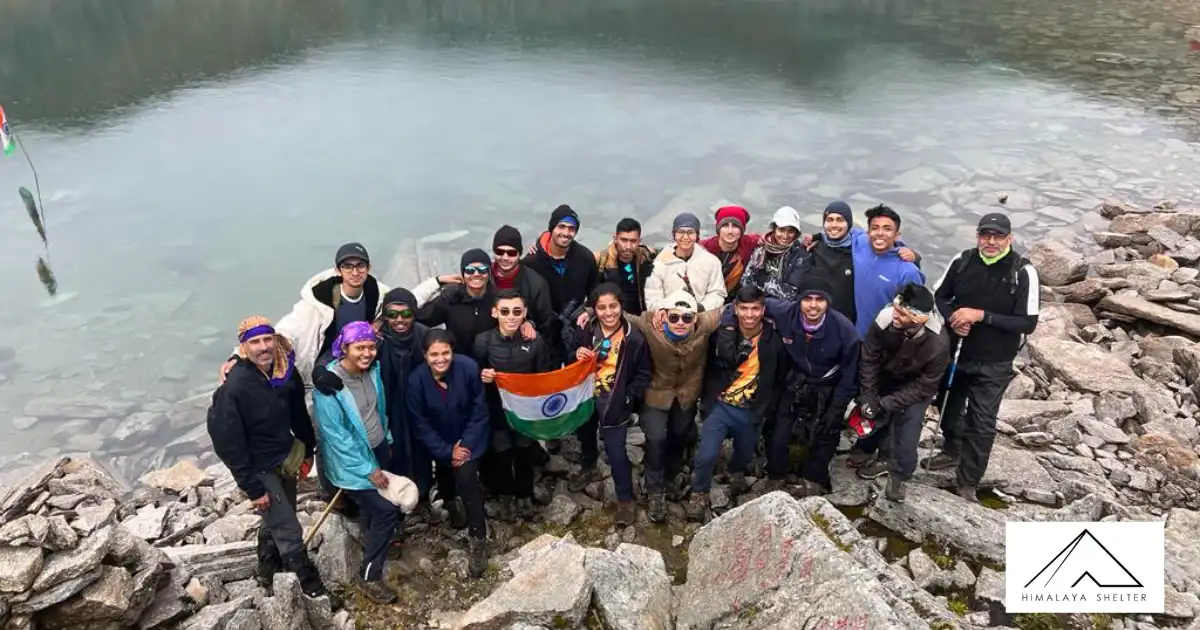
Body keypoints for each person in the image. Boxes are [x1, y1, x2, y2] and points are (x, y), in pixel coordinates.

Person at [206, 316, 328, 598]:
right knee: (288, 526)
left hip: (284, 459)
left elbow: (299, 414)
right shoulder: (234, 386)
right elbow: (227, 442)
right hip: (258, 467)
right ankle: (310, 587)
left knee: (275, 519)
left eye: (267, 339)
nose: (263, 347)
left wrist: (307, 452)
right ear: (243, 348)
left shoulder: (285, 372)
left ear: (275, 340)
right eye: (254, 341)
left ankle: (268, 570)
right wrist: (252, 488)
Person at [926, 213, 1040, 502]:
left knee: (983, 422)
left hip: (995, 362)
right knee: (948, 405)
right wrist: (954, 317)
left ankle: (968, 482)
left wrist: (981, 316)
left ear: (1009, 239)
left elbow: (1027, 323)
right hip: (957, 352)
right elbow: (939, 296)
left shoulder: (1023, 272)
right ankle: (952, 449)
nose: (990, 242)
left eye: (998, 236)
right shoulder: (962, 261)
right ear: (977, 236)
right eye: (985, 235)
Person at [217, 243, 442, 387]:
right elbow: (284, 331)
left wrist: (437, 282)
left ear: (369, 267)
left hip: (362, 361)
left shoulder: (377, 293)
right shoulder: (317, 302)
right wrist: (239, 354)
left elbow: (405, 302)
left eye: (360, 266)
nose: (355, 272)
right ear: (338, 270)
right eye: (348, 266)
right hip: (325, 367)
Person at [312, 288, 434, 516]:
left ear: (415, 314)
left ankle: (422, 495)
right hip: (385, 406)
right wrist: (319, 373)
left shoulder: (423, 336)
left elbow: (444, 353)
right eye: (392, 314)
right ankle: (394, 502)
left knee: (420, 449)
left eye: (406, 313)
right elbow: (338, 354)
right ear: (384, 316)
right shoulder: (374, 339)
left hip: (418, 405)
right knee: (394, 451)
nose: (399, 319)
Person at [613, 290, 722, 522]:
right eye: (674, 317)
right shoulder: (649, 325)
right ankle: (655, 488)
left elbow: (733, 309)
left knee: (679, 434)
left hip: (687, 393)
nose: (680, 323)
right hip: (656, 393)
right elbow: (619, 315)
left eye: (686, 318)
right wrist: (589, 311)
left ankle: (671, 474)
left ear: (696, 318)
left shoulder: (705, 324)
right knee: (655, 438)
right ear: (663, 316)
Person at [311, 322, 400, 604]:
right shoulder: (328, 388)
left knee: (376, 510)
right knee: (387, 511)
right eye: (360, 347)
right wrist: (367, 469)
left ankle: (371, 540)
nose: (367, 353)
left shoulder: (372, 372)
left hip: (379, 448)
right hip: (353, 465)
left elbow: (378, 408)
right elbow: (336, 437)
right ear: (344, 348)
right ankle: (369, 575)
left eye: (371, 346)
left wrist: (386, 436)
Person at [687, 286, 786, 522]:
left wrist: (766, 408)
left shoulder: (774, 339)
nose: (749, 315)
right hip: (721, 406)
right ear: (736, 309)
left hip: (752, 410)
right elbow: (707, 366)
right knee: (706, 456)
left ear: (763, 310)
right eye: (744, 309)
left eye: (755, 309)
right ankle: (699, 492)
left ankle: (734, 471)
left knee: (745, 451)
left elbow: (779, 376)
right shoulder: (721, 335)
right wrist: (707, 401)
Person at [761, 271, 860, 497]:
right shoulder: (784, 312)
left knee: (827, 431)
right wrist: (727, 320)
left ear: (828, 303)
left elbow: (850, 372)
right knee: (779, 428)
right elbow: (748, 305)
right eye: (807, 299)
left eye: (820, 300)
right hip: (796, 380)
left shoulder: (844, 330)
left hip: (828, 384)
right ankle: (776, 475)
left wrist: (838, 407)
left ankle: (813, 477)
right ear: (799, 300)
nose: (813, 306)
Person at [851, 284, 950, 502]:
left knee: (907, 430)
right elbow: (869, 357)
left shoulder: (938, 343)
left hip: (915, 387)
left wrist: (886, 403)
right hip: (886, 375)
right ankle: (868, 450)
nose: (894, 314)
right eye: (896, 307)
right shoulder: (885, 318)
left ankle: (900, 474)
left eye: (902, 313)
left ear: (918, 318)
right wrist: (869, 394)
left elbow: (926, 385)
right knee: (871, 410)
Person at [406, 330, 491, 576]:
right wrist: (445, 450)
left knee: (467, 480)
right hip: (439, 440)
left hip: (469, 440)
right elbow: (419, 423)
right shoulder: (416, 381)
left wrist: (464, 446)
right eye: (434, 354)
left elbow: (479, 410)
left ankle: (478, 538)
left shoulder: (468, 368)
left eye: (446, 353)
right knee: (444, 473)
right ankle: (452, 507)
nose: (440, 359)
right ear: (425, 355)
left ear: (453, 352)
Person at [566, 283, 652, 526]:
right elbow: (569, 355)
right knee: (585, 434)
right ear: (594, 310)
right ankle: (589, 465)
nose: (608, 312)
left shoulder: (633, 337)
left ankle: (625, 500)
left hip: (615, 402)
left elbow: (644, 374)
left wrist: (628, 397)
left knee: (616, 452)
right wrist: (576, 354)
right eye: (601, 308)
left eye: (613, 306)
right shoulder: (586, 329)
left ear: (621, 306)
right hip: (586, 396)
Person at [474, 290, 554, 522]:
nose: (511, 317)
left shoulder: (535, 341)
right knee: (501, 455)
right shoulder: (483, 341)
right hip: (496, 411)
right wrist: (483, 376)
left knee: (524, 453)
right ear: (494, 312)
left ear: (524, 314)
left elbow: (544, 376)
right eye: (505, 311)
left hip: (525, 412)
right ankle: (506, 497)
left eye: (517, 311)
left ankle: (525, 495)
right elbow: (473, 373)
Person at [417, 249, 535, 359]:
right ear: (463, 274)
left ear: (488, 273)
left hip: (493, 364)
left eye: (482, 270)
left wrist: (528, 323)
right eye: (470, 270)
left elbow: (520, 312)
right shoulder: (450, 298)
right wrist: (437, 281)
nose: (476, 274)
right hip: (459, 365)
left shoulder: (498, 297)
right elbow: (420, 317)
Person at [521, 205, 601, 364]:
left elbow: (595, 290)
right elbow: (522, 297)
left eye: (571, 228)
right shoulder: (531, 262)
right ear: (552, 228)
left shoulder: (584, 257)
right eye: (561, 226)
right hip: (543, 330)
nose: (566, 233)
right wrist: (527, 321)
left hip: (576, 327)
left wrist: (590, 310)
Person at [850, 205, 926, 337]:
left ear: (897, 235)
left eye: (887, 229)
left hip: (887, 345)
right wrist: (815, 238)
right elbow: (838, 232)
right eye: (874, 228)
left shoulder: (907, 271)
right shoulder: (860, 242)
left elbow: (917, 315)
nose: (880, 233)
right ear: (868, 232)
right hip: (857, 337)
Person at [645, 212, 727, 312]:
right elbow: (652, 297)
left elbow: (717, 293)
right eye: (681, 232)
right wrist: (670, 309)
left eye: (690, 232)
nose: (685, 237)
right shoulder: (660, 263)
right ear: (674, 235)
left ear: (697, 235)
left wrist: (700, 307)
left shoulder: (711, 262)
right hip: (668, 316)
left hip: (701, 315)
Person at [490, 225, 554, 337]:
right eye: (500, 252)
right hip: (487, 340)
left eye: (511, 253)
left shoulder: (536, 283)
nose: (505, 257)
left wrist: (530, 323)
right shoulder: (482, 276)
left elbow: (545, 322)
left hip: (521, 343)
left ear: (519, 254)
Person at [804, 201, 859, 323]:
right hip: (818, 321)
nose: (834, 225)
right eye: (829, 220)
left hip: (848, 324)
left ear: (848, 223)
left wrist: (908, 252)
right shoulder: (814, 249)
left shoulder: (858, 251)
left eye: (840, 220)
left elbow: (885, 247)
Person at [741, 206, 810, 301]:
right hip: (755, 302)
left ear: (796, 233)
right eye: (781, 230)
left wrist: (763, 280)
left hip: (784, 308)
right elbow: (745, 281)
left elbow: (790, 293)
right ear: (774, 229)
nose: (785, 236)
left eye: (791, 231)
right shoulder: (761, 249)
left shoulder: (801, 257)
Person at [595, 218, 657, 315]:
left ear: (639, 241)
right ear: (615, 239)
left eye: (633, 241)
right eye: (624, 240)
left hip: (640, 316)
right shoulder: (600, 259)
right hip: (611, 316)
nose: (628, 246)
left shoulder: (647, 256)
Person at [700, 205, 761, 301]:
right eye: (725, 225)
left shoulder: (750, 244)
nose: (730, 231)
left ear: (742, 230)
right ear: (718, 229)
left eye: (735, 226)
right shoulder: (703, 248)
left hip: (735, 301)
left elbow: (772, 239)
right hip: (706, 298)